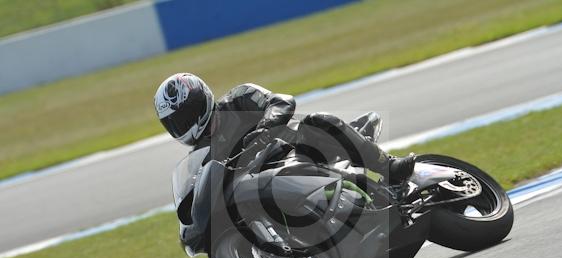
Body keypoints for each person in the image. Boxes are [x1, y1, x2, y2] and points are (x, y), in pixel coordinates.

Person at [154, 73, 415, 183]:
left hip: (301, 150)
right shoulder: (201, 157)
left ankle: (388, 166)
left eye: (186, 116)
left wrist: (266, 126)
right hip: (266, 185)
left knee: (317, 120)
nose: (184, 125)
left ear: (202, 101)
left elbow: (281, 101)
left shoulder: (238, 98)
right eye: (176, 123)